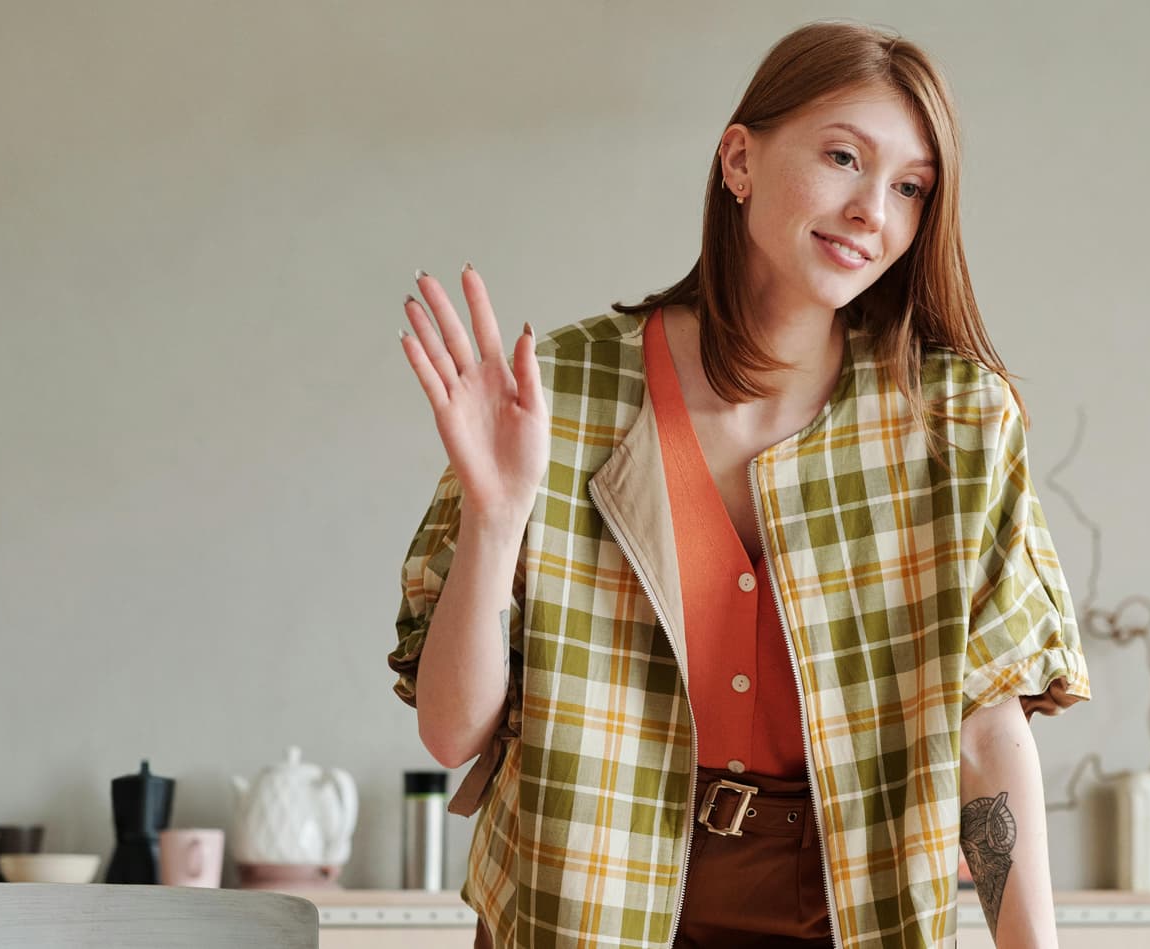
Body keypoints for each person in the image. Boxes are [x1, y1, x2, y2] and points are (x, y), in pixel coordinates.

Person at [389, 19, 1089, 949]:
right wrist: (497, 512)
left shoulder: (955, 421)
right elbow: (450, 734)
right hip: (584, 900)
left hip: (844, 905)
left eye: (911, 187)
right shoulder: (558, 394)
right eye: (843, 157)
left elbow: (986, 731)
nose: (872, 209)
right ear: (739, 160)